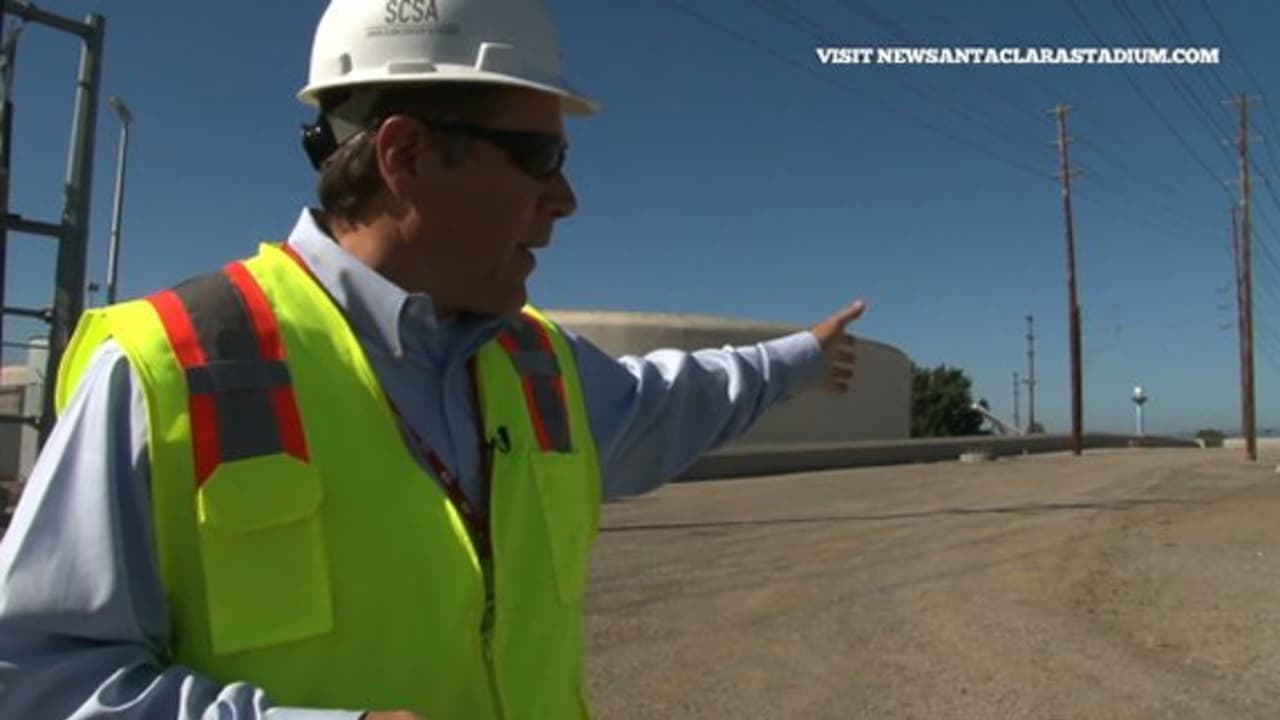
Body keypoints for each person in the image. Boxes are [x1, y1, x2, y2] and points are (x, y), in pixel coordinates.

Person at [0, 1, 865, 718]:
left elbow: (670, 402)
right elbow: (39, 680)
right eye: (539, 157)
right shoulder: (177, 365)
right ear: (405, 155)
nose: (565, 198)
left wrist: (796, 358)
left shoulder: (535, 366)